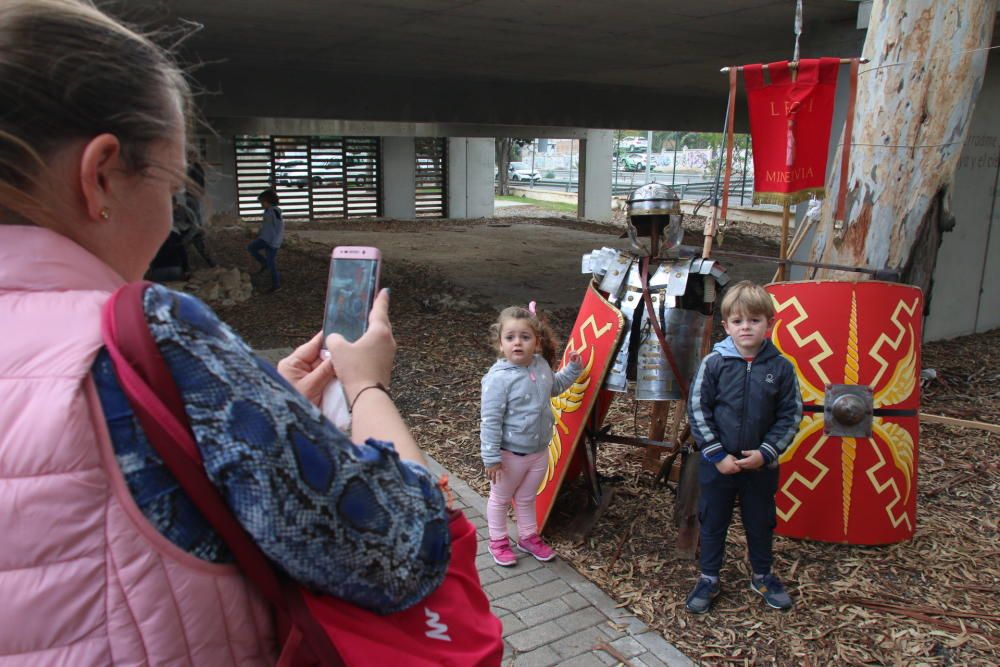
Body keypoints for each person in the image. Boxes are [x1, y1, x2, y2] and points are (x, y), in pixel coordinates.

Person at [0, 1, 449, 663]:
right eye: (177, 183)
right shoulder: (154, 334)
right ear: (99, 176)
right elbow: (402, 551)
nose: (180, 212)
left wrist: (262, 404)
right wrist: (366, 387)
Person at [685, 281, 803, 614]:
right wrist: (717, 454)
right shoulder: (714, 364)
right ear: (727, 326)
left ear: (770, 323)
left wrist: (766, 452)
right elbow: (697, 409)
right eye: (738, 321)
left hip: (760, 467)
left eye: (754, 320)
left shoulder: (781, 368)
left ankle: (762, 575)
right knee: (713, 520)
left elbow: (790, 414)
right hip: (717, 465)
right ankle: (709, 577)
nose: (746, 327)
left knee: (760, 520)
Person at [480, 303, 583, 566]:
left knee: (526, 497)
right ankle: (498, 541)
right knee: (501, 499)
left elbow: (555, 387)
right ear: (500, 344)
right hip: (508, 455)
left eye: (525, 337)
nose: (517, 343)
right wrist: (491, 457)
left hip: (538, 451)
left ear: (536, 342)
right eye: (510, 337)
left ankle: (527, 536)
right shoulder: (498, 379)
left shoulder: (540, 365)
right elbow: (490, 421)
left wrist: (571, 370)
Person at [248, 187, 283, 291]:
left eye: (262, 202)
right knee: (251, 248)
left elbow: (279, 227)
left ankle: (276, 285)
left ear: (268, 202)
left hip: (272, 242)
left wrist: (275, 242)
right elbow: (266, 226)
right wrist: (259, 233)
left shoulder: (275, 212)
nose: (261, 205)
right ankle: (264, 263)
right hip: (265, 239)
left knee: (272, 264)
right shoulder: (267, 211)